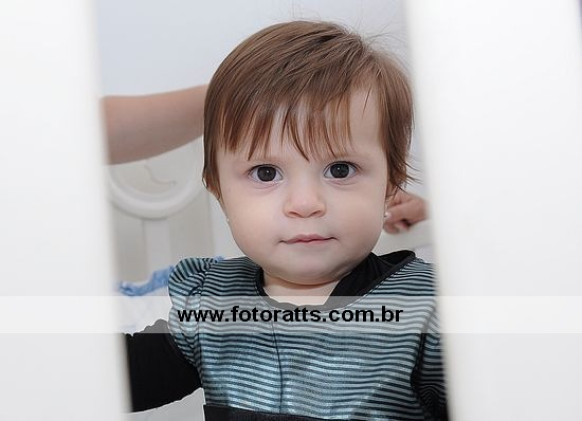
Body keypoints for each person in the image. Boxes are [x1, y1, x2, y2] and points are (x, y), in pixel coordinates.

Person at [125, 20, 447, 420]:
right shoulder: (212, 306)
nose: (305, 203)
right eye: (266, 173)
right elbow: (99, 378)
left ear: (390, 184)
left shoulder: (424, 311)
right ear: (219, 191)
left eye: (341, 169)